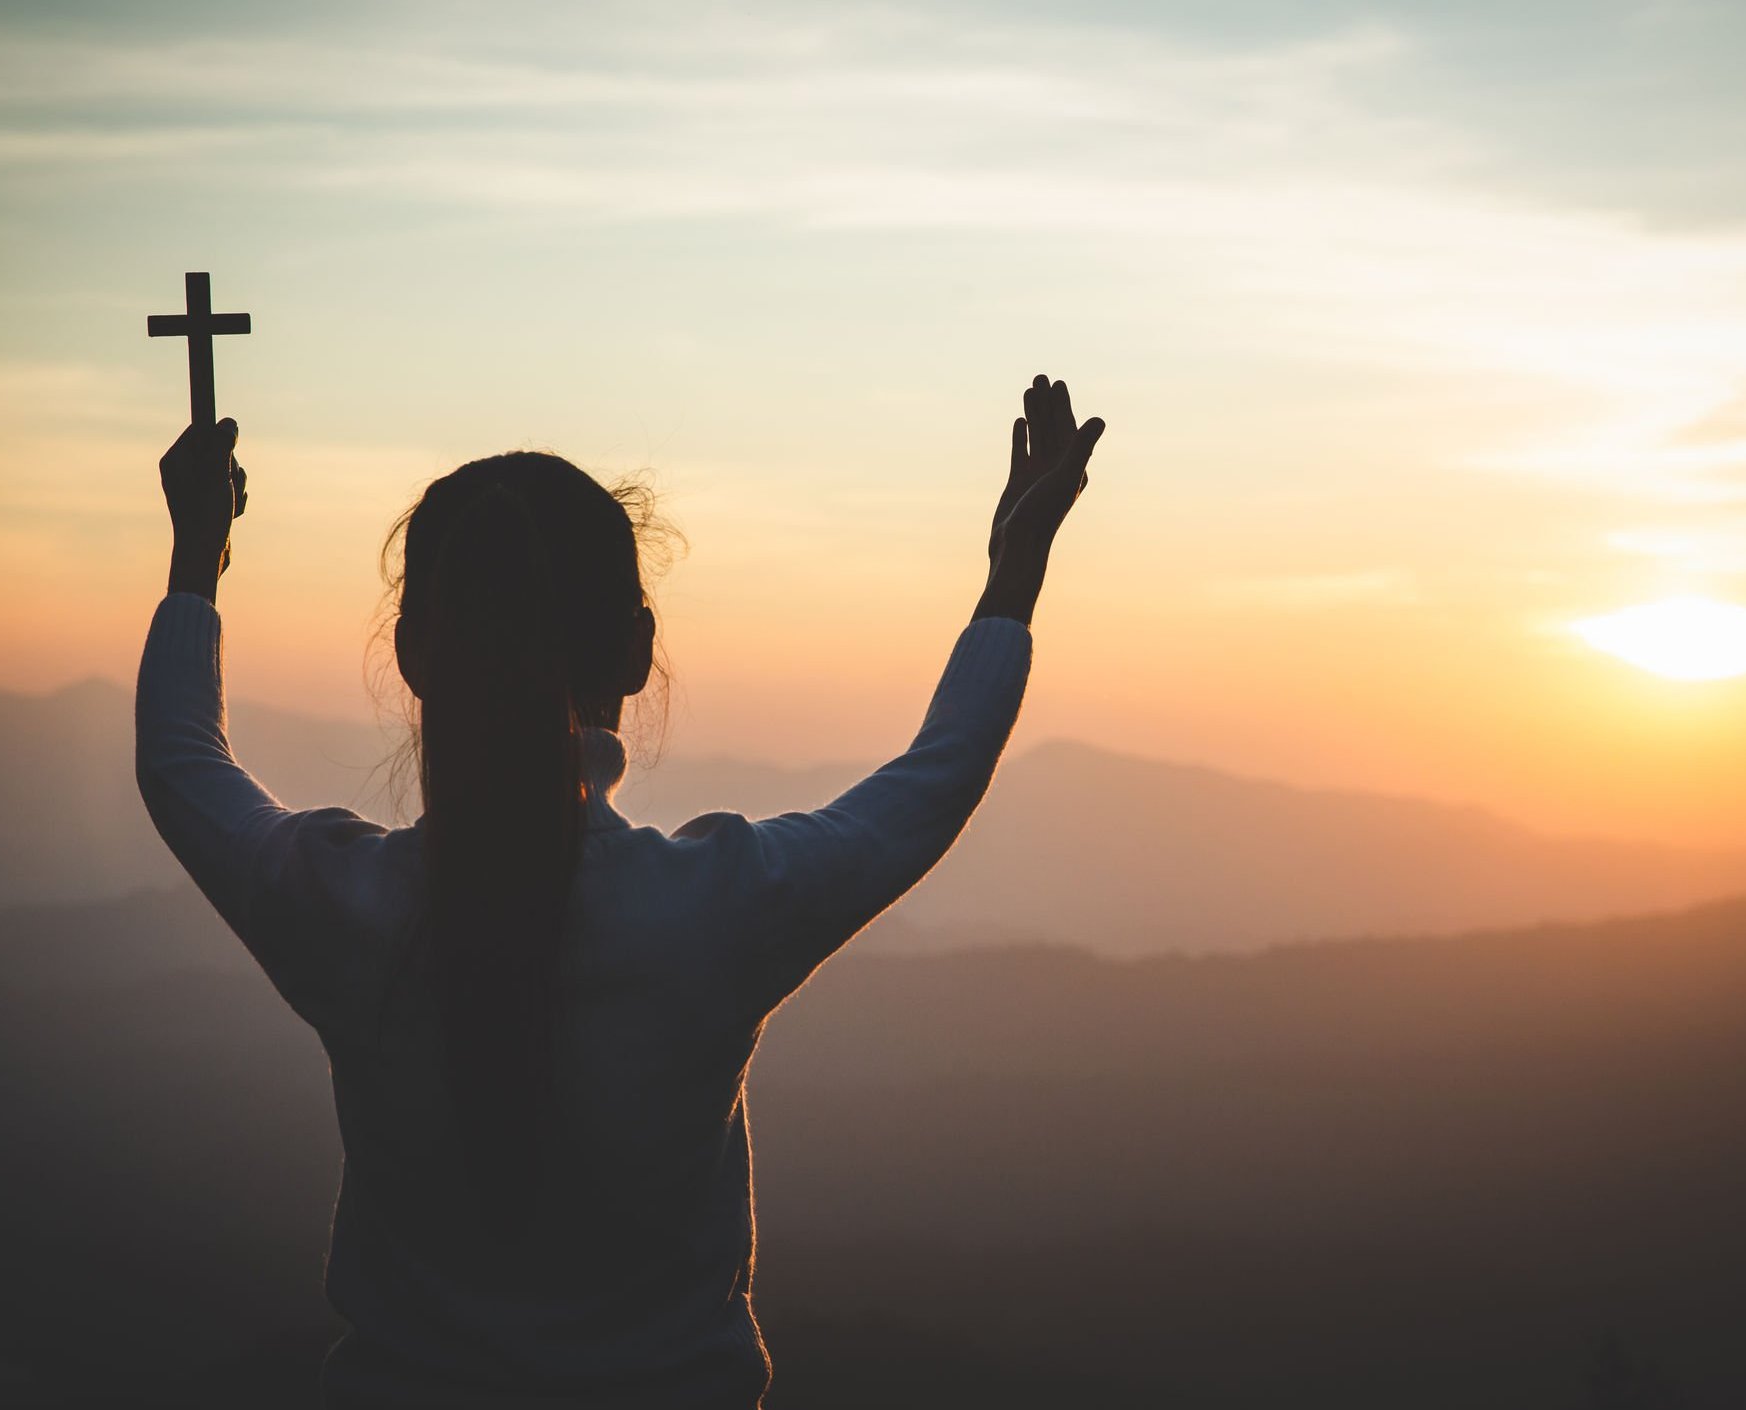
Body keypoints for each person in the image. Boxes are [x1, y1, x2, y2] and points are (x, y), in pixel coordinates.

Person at [136, 377, 1105, 1407]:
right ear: (638, 653)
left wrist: (199, 556)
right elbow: (930, 785)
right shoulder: (713, 910)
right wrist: (1014, 570)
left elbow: (180, 764)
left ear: (415, 656)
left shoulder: (347, 907)